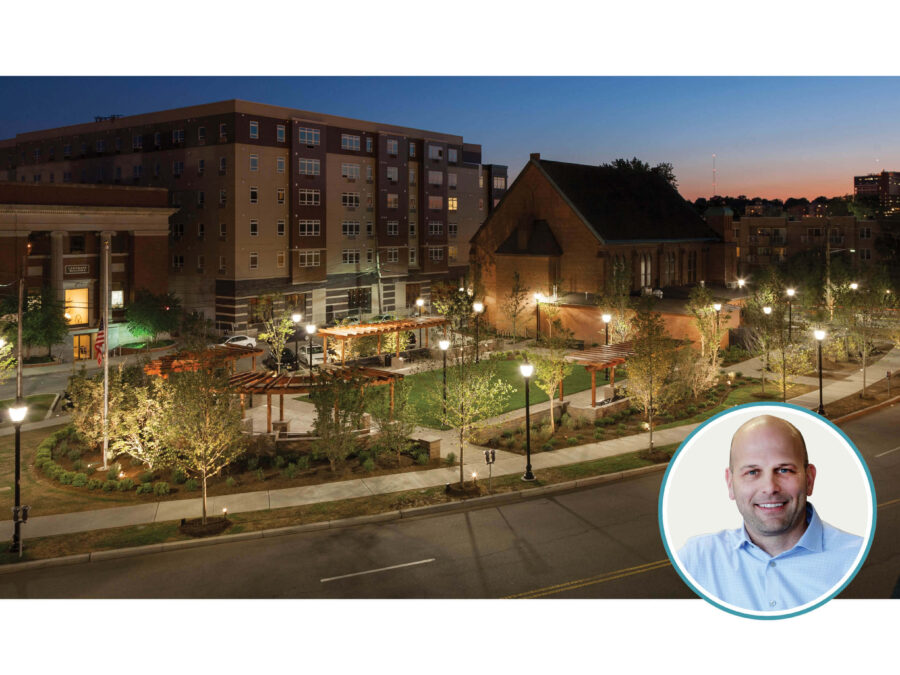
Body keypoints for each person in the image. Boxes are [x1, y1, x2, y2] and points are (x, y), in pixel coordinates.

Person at [677, 414, 864, 612]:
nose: (770, 487)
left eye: (784, 470)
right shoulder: (696, 559)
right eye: (752, 472)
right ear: (730, 483)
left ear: (809, 479)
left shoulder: (855, 558)